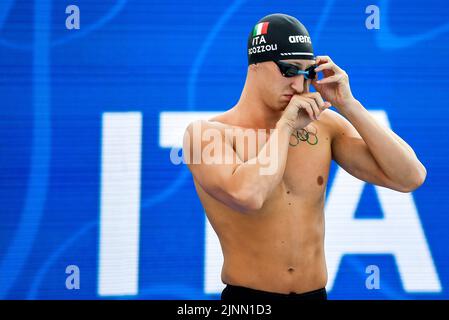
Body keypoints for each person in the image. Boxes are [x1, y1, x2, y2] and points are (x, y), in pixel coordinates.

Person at [182, 13, 427, 301]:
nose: (299, 85)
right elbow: (248, 195)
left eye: (307, 73)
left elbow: (410, 176)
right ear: (256, 65)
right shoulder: (204, 136)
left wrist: (349, 105)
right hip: (248, 300)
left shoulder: (325, 128)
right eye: (289, 69)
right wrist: (284, 127)